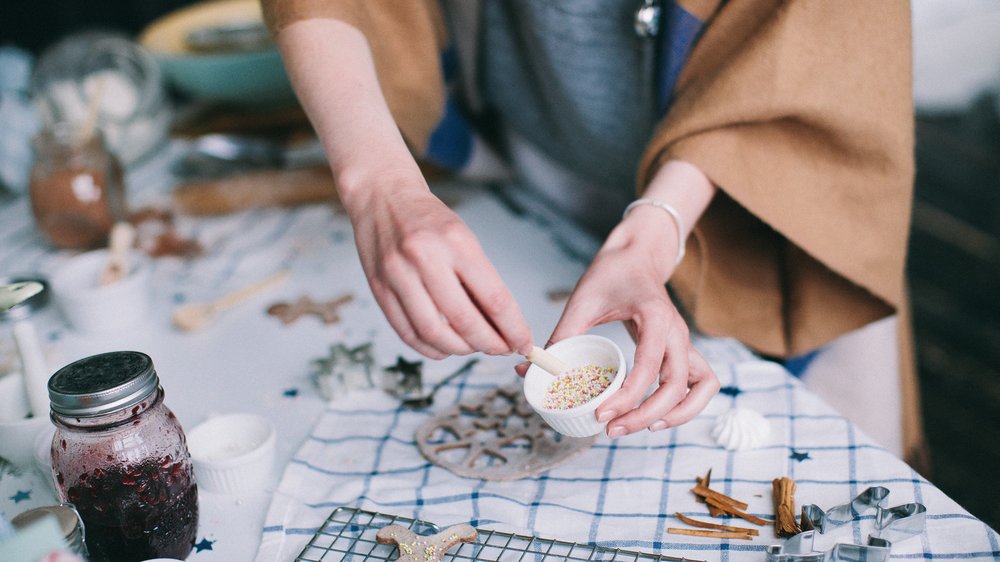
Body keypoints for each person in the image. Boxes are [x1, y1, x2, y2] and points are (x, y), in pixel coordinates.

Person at [261, 0, 924, 463]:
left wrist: (651, 231)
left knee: (819, 450)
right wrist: (378, 180)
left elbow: (819, 36)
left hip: (762, 197)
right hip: (537, 159)